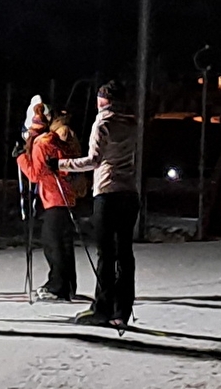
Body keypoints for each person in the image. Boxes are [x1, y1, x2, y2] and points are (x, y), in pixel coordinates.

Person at [54, 80, 139, 328]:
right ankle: (122, 310)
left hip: (108, 192)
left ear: (104, 100)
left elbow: (93, 160)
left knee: (106, 254)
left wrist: (60, 164)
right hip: (129, 192)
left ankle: (102, 308)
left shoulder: (103, 123)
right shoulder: (132, 122)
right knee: (125, 254)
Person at [24, 110, 85, 300]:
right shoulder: (55, 140)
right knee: (63, 243)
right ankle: (68, 285)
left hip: (54, 197)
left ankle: (57, 286)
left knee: (53, 244)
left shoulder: (41, 143)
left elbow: (35, 175)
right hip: (65, 197)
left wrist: (21, 158)